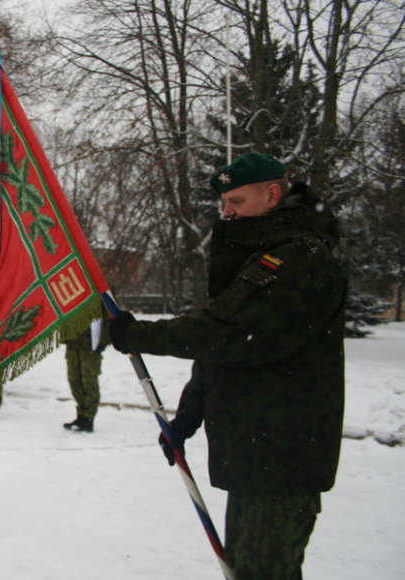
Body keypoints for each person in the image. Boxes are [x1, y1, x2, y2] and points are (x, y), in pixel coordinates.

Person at [107, 152, 347, 580]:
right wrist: (189, 415)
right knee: (246, 568)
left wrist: (140, 335)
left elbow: (230, 335)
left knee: (263, 572)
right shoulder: (258, 256)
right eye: (224, 203)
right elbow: (223, 352)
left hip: (284, 455)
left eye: (235, 201)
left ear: (272, 194)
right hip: (255, 450)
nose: (227, 212)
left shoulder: (301, 258)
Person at [60, 309, 110, 432]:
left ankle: (88, 417)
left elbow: (109, 317)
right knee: (74, 381)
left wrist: (104, 340)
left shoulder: (100, 294)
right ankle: (82, 415)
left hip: (90, 345)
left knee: (89, 382)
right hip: (73, 343)